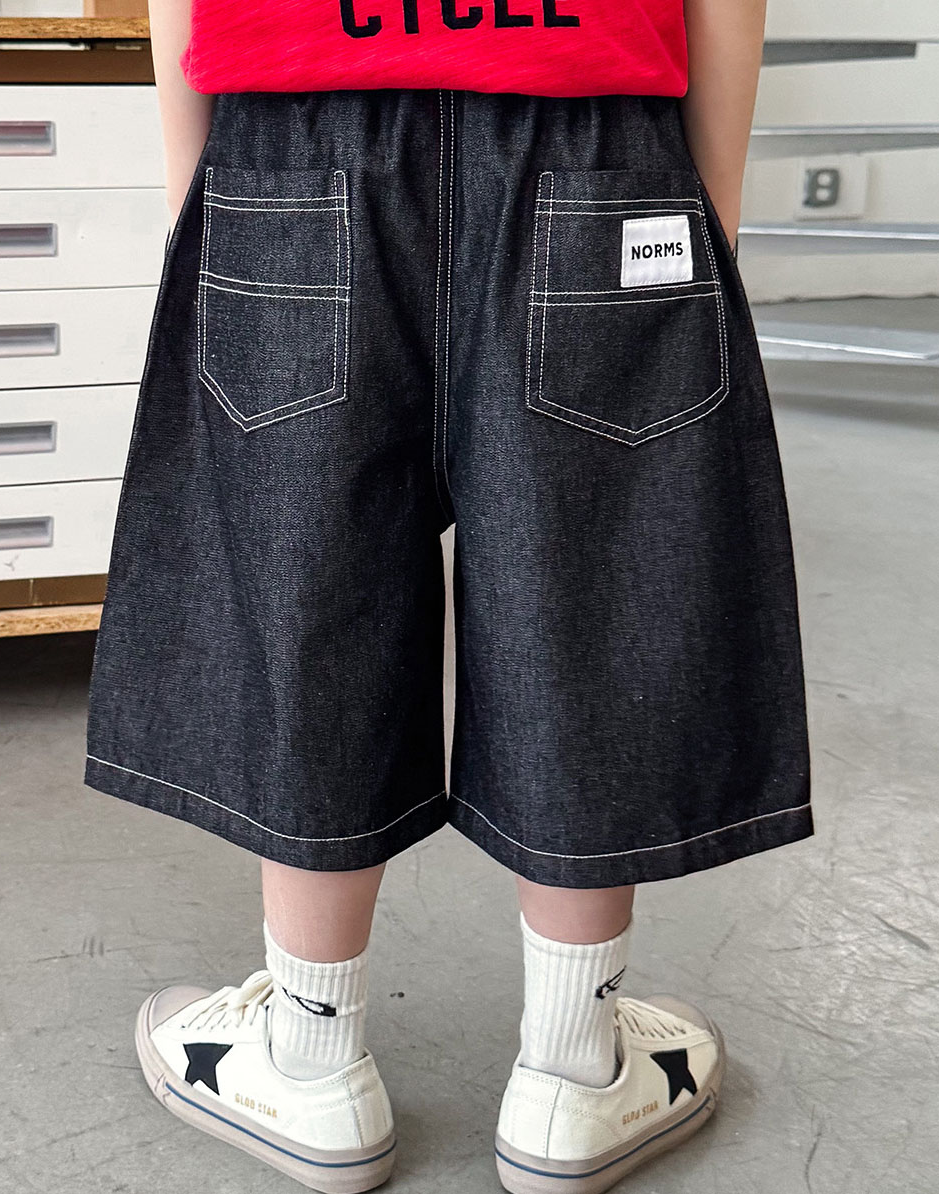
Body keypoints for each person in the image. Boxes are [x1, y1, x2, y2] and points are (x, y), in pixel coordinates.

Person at [84, 0, 814, 1189]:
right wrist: (708, 209)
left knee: (304, 588)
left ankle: (312, 1062)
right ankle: (575, 1070)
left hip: (294, 134)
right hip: (595, 136)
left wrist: (195, 194)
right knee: (595, 589)